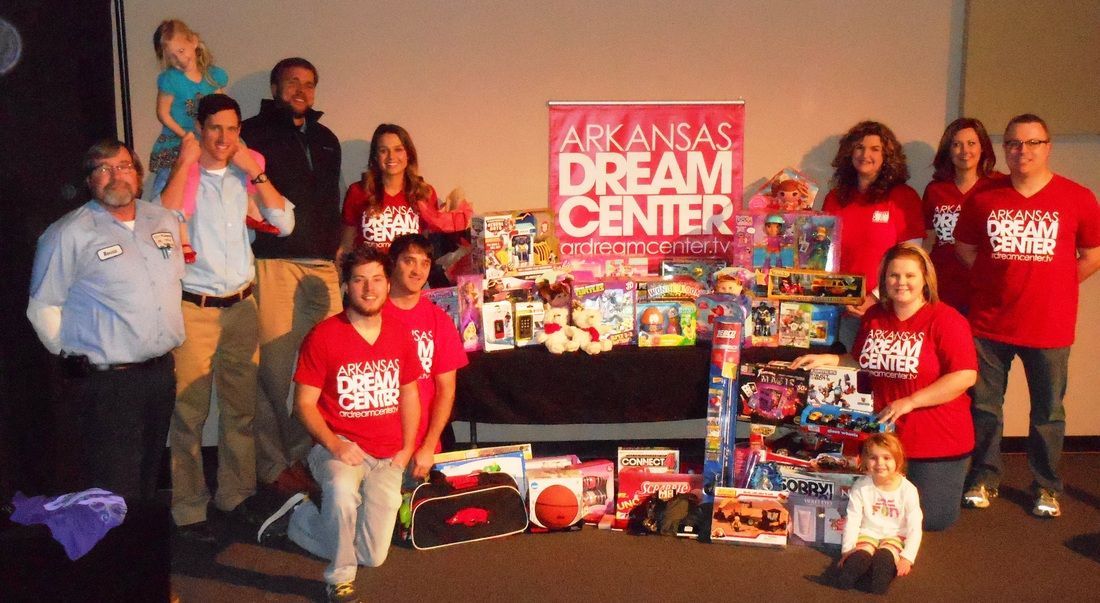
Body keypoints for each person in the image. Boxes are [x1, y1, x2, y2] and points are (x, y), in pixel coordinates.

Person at [158, 93, 295, 543]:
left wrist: (253, 169)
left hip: (241, 307)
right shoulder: (182, 172)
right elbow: (163, 220)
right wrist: (183, 162)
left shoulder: (246, 174)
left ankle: (234, 496)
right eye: (215, 127)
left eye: (232, 129)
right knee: (189, 414)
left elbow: (285, 221)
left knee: (240, 411)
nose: (223, 137)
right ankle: (188, 507)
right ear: (199, 127)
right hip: (193, 309)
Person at [954, 113, 1100, 518]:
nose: (1023, 151)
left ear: (1048, 146)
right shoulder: (984, 197)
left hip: (1049, 327)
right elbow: (965, 248)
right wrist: (995, 281)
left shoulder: (1078, 197)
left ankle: (1047, 486)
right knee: (984, 408)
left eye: (1033, 143)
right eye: (1015, 143)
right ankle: (984, 477)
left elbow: (1092, 254)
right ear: (1005, 149)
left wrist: (1058, 284)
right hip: (988, 324)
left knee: (1048, 414)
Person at [26, 140, 184, 501]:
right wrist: (76, 356)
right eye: (103, 168)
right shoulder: (68, 233)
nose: (116, 175)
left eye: (124, 166)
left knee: (147, 479)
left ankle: (138, 553)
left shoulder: (162, 220)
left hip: (159, 374)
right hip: (109, 384)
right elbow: (42, 307)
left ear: (139, 175)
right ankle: (116, 555)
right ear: (89, 180)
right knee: (114, 486)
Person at [792, 243, 977, 530]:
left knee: (933, 520)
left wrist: (911, 401)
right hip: (884, 435)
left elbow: (964, 376)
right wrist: (829, 358)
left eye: (909, 276)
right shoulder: (875, 316)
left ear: (925, 279)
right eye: (893, 275)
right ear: (884, 279)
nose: (901, 282)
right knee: (873, 513)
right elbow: (861, 361)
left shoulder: (947, 320)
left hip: (937, 437)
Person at [285, 246, 420, 603]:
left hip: (389, 454)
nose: (369, 289)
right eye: (359, 280)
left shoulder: (400, 334)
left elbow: (409, 395)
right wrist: (335, 445)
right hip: (339, 446)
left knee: (373, 556)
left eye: (377, 279)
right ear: (346, 286)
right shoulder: (324, 336)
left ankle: (301, 520)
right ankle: (339, 578)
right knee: (343, 493)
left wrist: (407, 449)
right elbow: (304, 405)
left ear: (388, 285)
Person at [241, 57, 344, 495]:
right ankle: (273, 466)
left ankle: (306, 458)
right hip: (275, 265)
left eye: (308, 84)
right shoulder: (250, 133)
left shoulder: (327, 139)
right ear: (274, 86)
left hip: (323, 268)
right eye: (292, 83)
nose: (300, 91)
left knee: (326, 372)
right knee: (275, 374)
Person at [821, 121, 924, 350]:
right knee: (840, 375)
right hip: (838, 307)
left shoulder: (903, 197)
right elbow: (823, 253)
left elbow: (912, 258)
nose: (865, 154)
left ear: (887, 155)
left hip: (885, 306)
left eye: (874, 149)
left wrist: (876, 298)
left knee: (875, 378)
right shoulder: (834, 198)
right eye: (859, 147)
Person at [382, 233, 469, 476]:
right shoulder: (371, 315)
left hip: (421, 450)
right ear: (392, 263)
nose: (417, 270)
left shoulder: (439, 321)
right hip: (375, 447)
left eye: (425, 263)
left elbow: (446, 390)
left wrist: (429, 446)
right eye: (409, 261)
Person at [338, 123, 471, 264]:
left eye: (398, 150)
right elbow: (346, 246)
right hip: (371, 278)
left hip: (410, 277)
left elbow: (425, 247)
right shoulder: (358, 191)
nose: (391, 156)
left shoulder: (424, 193)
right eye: (383, 150)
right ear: (375, 156)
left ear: (409, 154)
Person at [922, 117, 1003, 313]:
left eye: (971, 143)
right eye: (956, 144)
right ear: (948, 151)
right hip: (944, 289)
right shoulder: (936, 190)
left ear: (983, 147)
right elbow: (928, 242)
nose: (965, 151)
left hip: (985, 289)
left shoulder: (999, 186)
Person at [835, 433, 923, 594]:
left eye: (886, 458)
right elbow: (853, 519)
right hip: (868, 532)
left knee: (887, 554)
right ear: (865, 462)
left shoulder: (908, 490)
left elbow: (914, 527)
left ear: (898, 461)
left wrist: (907, 557)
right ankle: (850, 573)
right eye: (873, 458)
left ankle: (881, 579)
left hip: (895, 535)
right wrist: (847, 551)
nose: (880, 463)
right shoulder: (861, 486)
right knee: (862, 551)